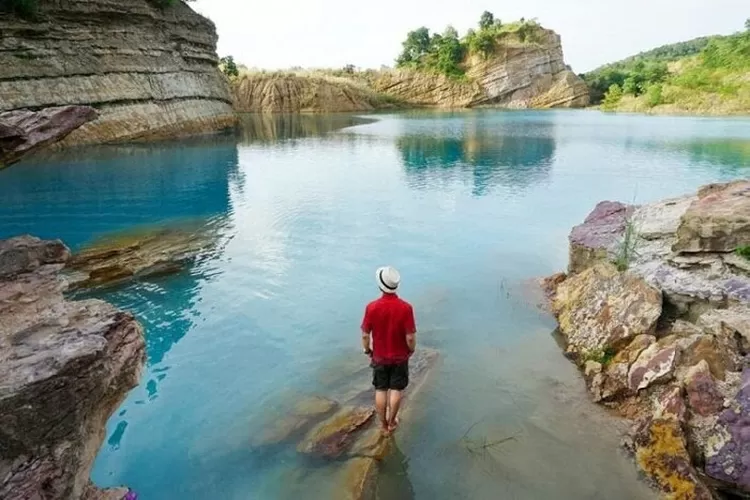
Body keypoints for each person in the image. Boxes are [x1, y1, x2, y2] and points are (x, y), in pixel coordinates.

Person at [360, 266, 417, 435]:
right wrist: (411, 350)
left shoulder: (372, 307)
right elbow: (411, 337)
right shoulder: (406, 308)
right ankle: (392, 422)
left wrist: (367, 350)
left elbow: (365, 335)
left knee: (381, 390)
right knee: (396, 390)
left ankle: (383, 425)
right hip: (400, 358)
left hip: (379, 358)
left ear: (380, 286)